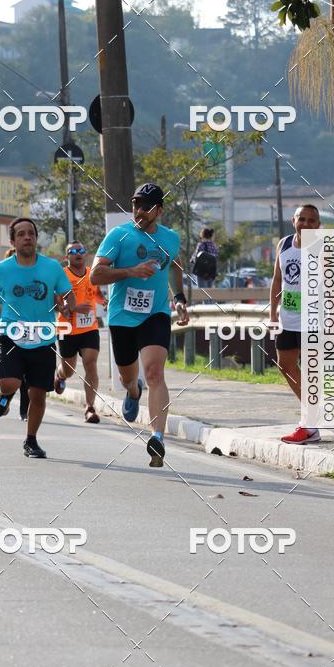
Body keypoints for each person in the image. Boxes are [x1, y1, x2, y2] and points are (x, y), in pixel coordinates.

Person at [90, 183, 190, 468]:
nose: (139, 211)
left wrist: (179, 298)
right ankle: (134, 391)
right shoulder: (119, 236)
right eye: (135, 205)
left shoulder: (170, 238)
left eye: (146, 206)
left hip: (155, 314)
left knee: (155, 371)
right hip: (122, 316)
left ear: (159, 210)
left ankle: (157, 436)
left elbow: (173, 265)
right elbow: (95, 275)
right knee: (127, 377)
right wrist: (130, 272)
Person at [0, 217, 75, 459]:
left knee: (37, 395)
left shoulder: (52, 267)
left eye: (31, 234)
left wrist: (67, 306)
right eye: (22, 234)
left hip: (43, 338)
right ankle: (5, 395)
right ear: (13, 241)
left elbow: (67, 292)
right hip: (10, 335)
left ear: (36, 238)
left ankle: (31, 441)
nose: (27, 237)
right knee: (9, 383)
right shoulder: (2, 269)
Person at [269, 203, 322, 445]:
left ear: (318, 225)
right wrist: (272, 314)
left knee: (311, 371)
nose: (307, 224)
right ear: (294, 221)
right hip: (288, 318)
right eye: (302, 219)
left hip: (313, 318)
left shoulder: (323, 247)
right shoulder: (284, 244)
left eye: (312, 220)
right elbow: (277, 280)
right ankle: (312, 418)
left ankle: (309, 424)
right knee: (285, 365)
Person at [54, 240, 106, 423]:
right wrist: (70, 308)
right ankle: (60, 375)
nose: (78, 253)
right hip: (66, 328)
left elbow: (97, 293)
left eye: (81, 250)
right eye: (73, 251)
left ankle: (90, 407)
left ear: (85, 254)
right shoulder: (61, 275)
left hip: (89, 328)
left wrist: (104, 302)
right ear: (66, 257)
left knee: (91, 363)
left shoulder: (92, 273)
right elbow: (55, 302)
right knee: (69, 369)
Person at [4, 245, 29, 421]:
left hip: (31, 332)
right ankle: (5, 397)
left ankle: (25, 410)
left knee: (27, 374)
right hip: (9, 333)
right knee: (13, 375)